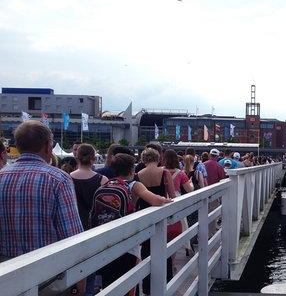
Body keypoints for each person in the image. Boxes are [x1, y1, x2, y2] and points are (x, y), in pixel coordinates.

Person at [0, 120, 85, 292]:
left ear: (18, 145)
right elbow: (72, 235)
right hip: (47, 276)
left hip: (6, 275)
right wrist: (80, 280)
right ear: (48, 146)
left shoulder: (1, 176)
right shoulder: (58, 179)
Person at [97, 153, 172, 293]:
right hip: (128, 240)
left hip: (107, 240)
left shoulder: (106, 183)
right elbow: (155, 200)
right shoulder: (134, 185)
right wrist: (164, 199)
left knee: (110, 284)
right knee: (130, 282)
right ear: (132, 170)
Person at [136, 147, 177, 295]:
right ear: (158, 158)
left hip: (145, 214)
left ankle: (147, 288)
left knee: (146, 251)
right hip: (160, 213)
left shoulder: (138, 174)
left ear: (143, 159)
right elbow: (172, 195)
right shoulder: (164, 172)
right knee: (163, 248)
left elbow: (137, 199)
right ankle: (166, 282)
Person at [70, 143, 108, 295]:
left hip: (74, 228)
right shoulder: (102, 179)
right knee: (91, 269)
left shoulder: (67, 178)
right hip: (94, 228)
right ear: (94, 159)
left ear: (77, 157)